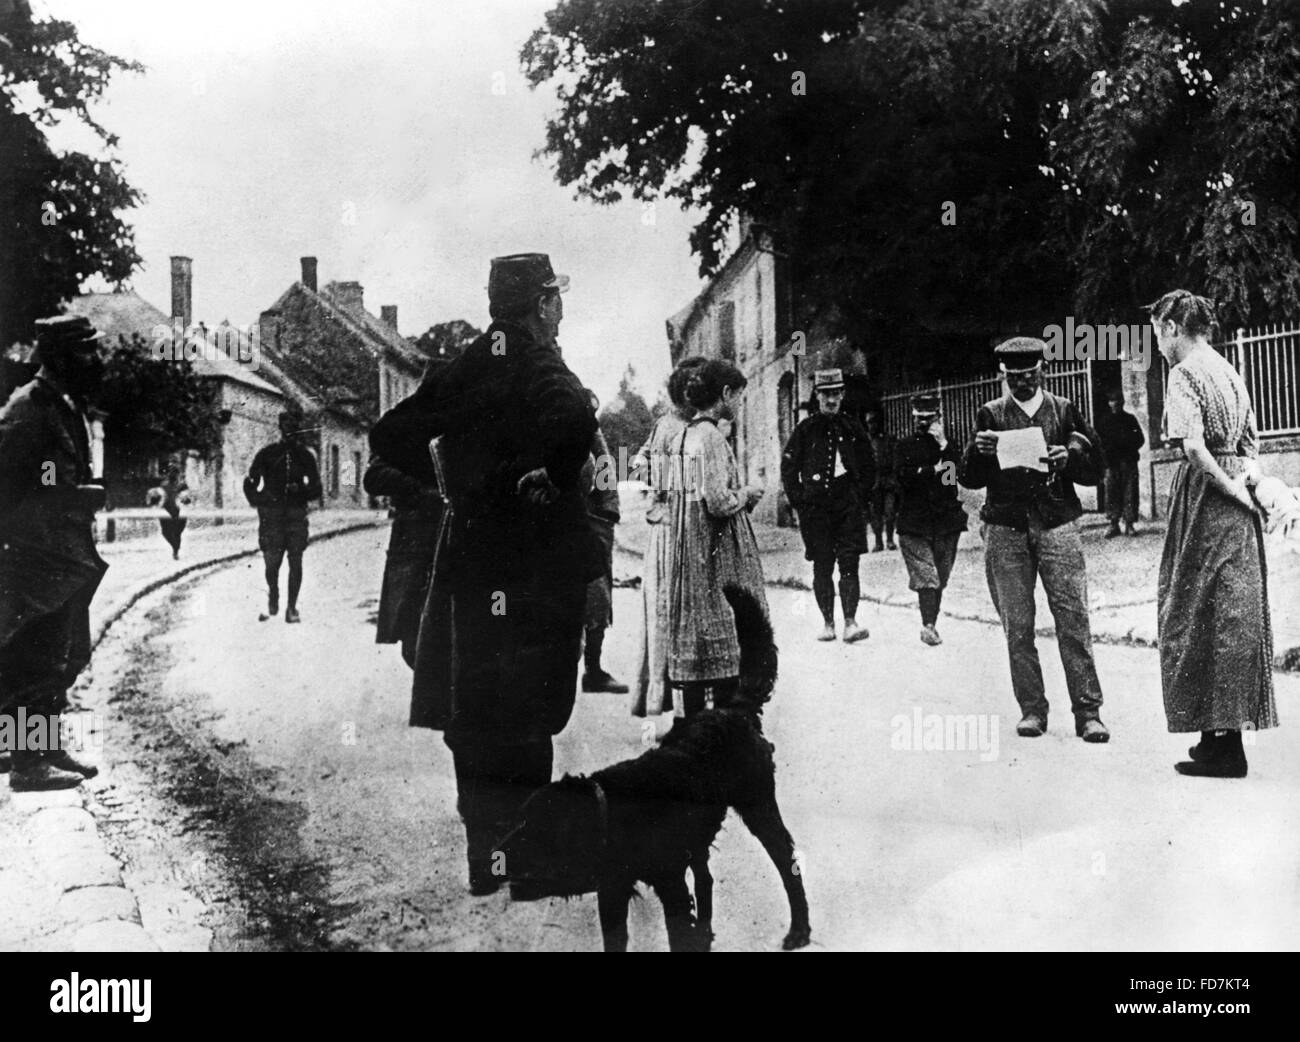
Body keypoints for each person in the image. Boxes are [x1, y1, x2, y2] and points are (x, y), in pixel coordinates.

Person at [369, 252, 601, 895]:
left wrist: (460, 486)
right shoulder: (535, 357)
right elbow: (576, 417)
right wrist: (546, 478)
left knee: (473, 710)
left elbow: (391, 436)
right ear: (542, 305)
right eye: (556, 301)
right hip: (534, 568)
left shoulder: (467, 363)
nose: (560, 314)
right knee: (529, 710)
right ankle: (525, 862)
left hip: (470, 566)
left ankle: (484, 855)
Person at [1148, 290, 1277, 778]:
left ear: (1173, 328)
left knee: (1190, 606)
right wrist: (1248, 488)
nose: (1158, 344)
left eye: (1158, 332)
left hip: (1206, 502)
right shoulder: (1230, 371)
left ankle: (1225, 750)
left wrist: (1229, 490)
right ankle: (1217, 737)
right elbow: (1249, 447)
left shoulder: (1183, 374)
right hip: (1237, 506)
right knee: (1229, 613)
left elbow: (1195, 450)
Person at [958, 337, 1110, 743]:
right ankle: (1032, 709)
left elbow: (1096, 467)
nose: (1022, 383)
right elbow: (968, 477)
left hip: (1058, 524)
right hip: (1006, 529)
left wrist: (1070, 457)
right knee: (1018, 625)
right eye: (1013, 377)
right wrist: (979, 450)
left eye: (1029, 375)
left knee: (1073, 618)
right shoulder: (990, 413)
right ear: (1003, 376)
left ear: (1043, 370)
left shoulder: (1063, 410)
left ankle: (1088, 712)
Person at [0, 315, 108, 791]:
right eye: (87, 350)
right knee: (33, 662)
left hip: (63, 558)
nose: (96, 360)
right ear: (62, 355)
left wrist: (67, 490)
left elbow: (45, 474)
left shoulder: (61, 404)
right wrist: (75, 493)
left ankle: (44, 745)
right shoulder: (29, 409)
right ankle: (27, 762)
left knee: (65, 657)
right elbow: (22, 480)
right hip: (35, 558)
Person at [668, 358, 769, 715]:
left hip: (689, 547)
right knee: (726, 633)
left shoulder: (683, 435)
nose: (739, 405)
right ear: (725, 394)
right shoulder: (711, 437)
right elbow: (717, 500)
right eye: (738, 397)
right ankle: (725, 732)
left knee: (698, 643)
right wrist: (747, 494)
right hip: (714, 547)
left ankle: (694, 727)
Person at [631, 357, 705, 717]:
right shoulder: (683, 429)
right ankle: (682, 710)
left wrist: (649, 471)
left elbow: (639, 460)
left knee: (665, 614)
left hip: (663, 529)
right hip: (675, 532)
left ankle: (665, 700)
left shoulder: (665, 424)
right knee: (676, 614)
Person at [780, 368, 873, 642]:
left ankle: (851, 622)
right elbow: (788, 468)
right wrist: (801, 502)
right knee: (822, 565)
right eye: (825, 394)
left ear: (843, 394)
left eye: (836, 394)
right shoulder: (805, 430)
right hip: (816, 509)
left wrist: (859, 496)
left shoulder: (853, 426)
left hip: (848, 506)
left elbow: (869, 464)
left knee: (849, 563)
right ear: (817, 396)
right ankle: (828, 624)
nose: (831, 400)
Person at [363, 433, 442, 667]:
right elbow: (373, 476)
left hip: (469, 534)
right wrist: (417, 488)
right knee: (414, 639)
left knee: (493, 609)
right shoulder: (409, 425)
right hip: (416, 537)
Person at [894, 393, 966, 646]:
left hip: (946, 522)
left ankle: (931, 624)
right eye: (919, 418)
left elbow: (953, 480)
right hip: (914, 523)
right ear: (913, 418)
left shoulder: (949, 446)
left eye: (929, 418)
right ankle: (928, 626)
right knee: (928, 577)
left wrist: (945, 447)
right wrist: (929, 471)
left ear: (939, 417)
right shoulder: (904, 446)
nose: (924, 423)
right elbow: (901, 479)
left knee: (940, 578)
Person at [243, 408, 323, 624]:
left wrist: (302, 491)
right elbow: (250, 480)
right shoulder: (267, 454)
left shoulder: (305, 456)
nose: (291, 431)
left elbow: (317, 488)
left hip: (296, 515)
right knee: (272, 564)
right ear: (281, 428)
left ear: (299, 428)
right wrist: (259, 499)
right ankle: (274, 593)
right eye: (287, 427)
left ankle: (291, 607)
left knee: (295, 561)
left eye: (294, 427)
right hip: (272, 516)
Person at [581, 403, 627, 693]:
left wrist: (607, 513)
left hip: (591, 518)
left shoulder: (584, 417)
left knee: (597, 594)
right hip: (549, 515)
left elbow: (604, 463)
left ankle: (593, 670)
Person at [1095, 388, 1145, 537]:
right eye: (1112, 401)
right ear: (1109, 403)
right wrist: (1106, 455)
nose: (1115, 404)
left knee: (1130, 492)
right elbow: (1099, 442)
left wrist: (1128, 447)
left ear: (1122, 402)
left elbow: (1140, 439)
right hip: (1111, 463)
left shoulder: (1130, 420)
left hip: (1128, 461)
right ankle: (1113, 524)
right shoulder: (1104, 422)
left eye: (1117, 401)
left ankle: (1129, 524)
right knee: (1111, 493)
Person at [864, 407, 898, 551]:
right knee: (875, 514)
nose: (872, 425)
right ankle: (878, 542)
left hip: (888, 481)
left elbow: (896, 460)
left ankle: (890, 540)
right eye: (869, 422)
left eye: (874, 422)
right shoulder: (864, 441)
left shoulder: (889, 439)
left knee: (889, 512)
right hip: (873, 483)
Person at [148, 465, 191, 560]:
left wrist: (185, 500)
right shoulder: (163, 485)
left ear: (177, 474)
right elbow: (158, 496)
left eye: (174, 473)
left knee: (176, 532)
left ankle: (175, 550)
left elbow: (187, 498)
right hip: (166, 512)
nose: (171, 474)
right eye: (170, 472)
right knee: (165, 532)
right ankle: (175, 548)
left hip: (178, 513)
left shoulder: (182, 485)